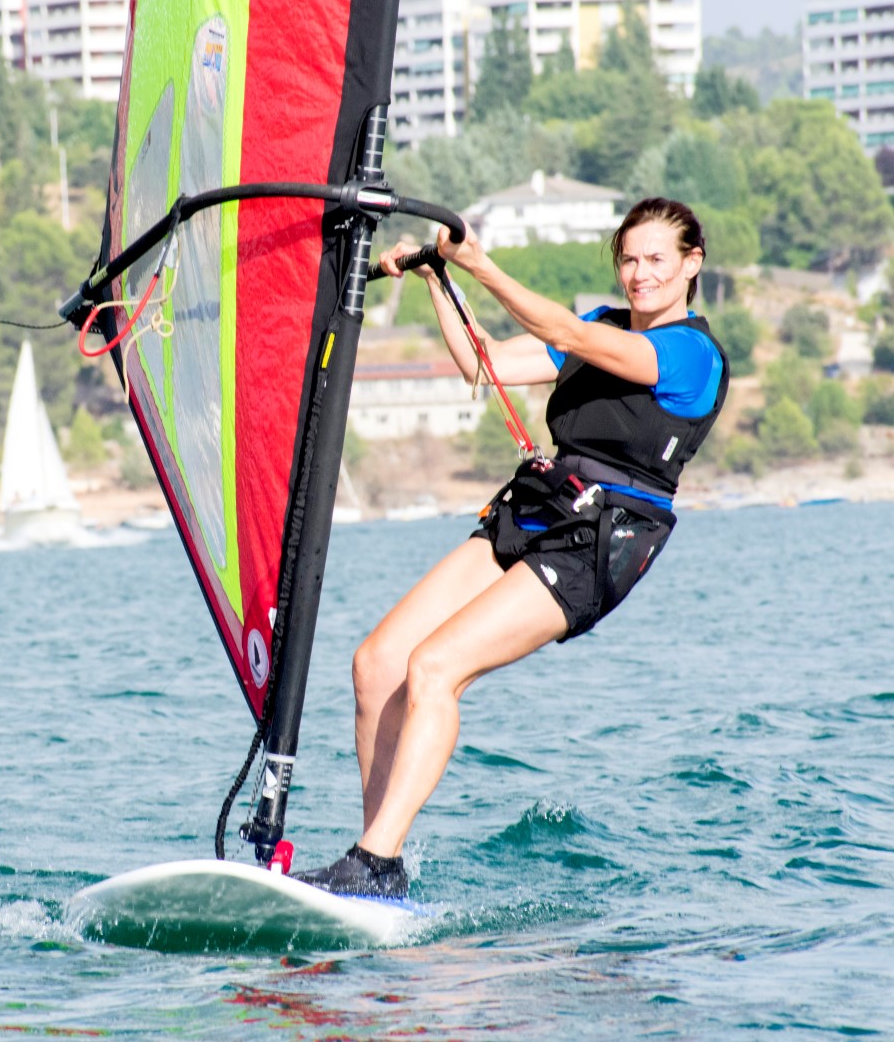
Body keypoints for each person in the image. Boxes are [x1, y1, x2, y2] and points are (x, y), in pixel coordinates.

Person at [297, 198, 729, 898]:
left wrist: (480, 263)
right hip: (537, 508)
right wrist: (438, 276)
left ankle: (375, 862)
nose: (640, 274)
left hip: (598, 539)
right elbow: (484, 362)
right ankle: (373, 859)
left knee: (434, 667)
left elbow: (564, 330)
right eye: (628, 259)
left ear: (691, 264)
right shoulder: (604, 324)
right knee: (377, 664)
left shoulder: (691, 354)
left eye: (656, 259)